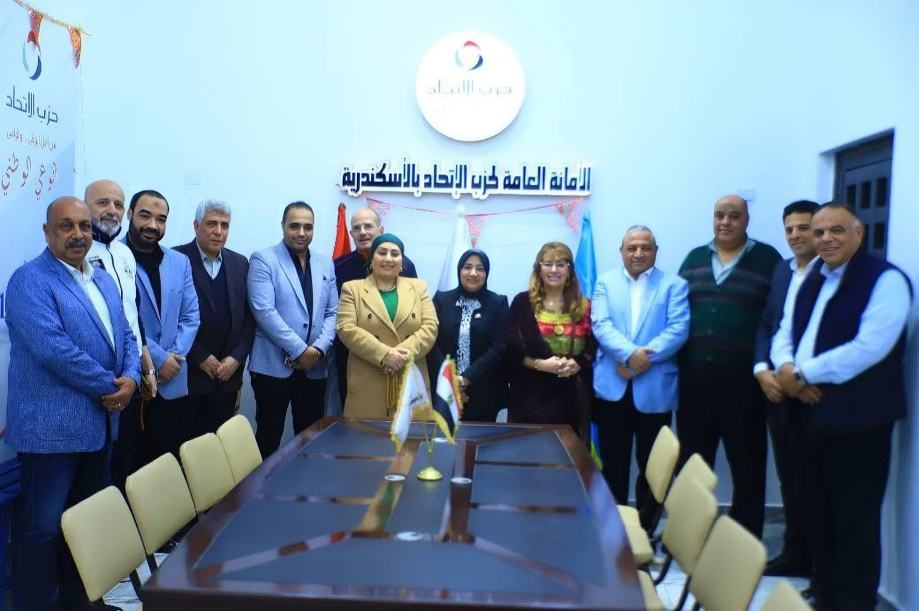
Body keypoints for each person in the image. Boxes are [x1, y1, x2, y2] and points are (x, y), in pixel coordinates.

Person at [771, 203, 910, 611]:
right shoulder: (813, 276)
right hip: (806, 416)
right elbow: (784, 331)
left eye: (836, 230)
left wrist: (802, 374)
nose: (826, 238)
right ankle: (826, 595)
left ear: (858, 233)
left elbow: (868, 349)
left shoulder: (886, 280)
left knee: (854, 522)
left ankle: (853, 603)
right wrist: (786, 370)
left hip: (858, 423)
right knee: (815, 515)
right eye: (819, 232)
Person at [7, 197, 139, 610]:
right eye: (66, 226)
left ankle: (79, 602)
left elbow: (127, 334)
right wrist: (112, 387)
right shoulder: (29, 280)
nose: (78, 234)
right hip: (51, 434)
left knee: (84, 526)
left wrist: (133, 378)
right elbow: (55, 350)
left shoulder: (101, 278)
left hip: (98, 427)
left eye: (84, 226)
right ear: (48, 232)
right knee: (42, 531)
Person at [677, 194, 782, 539]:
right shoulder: (694, 258)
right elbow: (676, 313)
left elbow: (776, 318)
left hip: (744, 382)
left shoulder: (768, 260)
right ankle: (690, 534)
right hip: (695, 379)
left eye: (734, 215)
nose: (725, 222)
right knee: (693, 462)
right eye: (719, 215)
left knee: (747, 463)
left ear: (746, 220)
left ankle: (742, 540)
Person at [591, 226, 689, 530]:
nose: (638, 253)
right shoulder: (605, 282)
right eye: (631, 247)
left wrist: (636, 361)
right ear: (621, 251)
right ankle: (613, 529)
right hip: (612, 391)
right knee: (613, 465)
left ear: (655, 251)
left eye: (645, 247)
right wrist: (629, 355)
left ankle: (645, 531)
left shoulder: (674, 285)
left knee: (653, 470)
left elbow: (677, 330)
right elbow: (601, 325)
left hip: (655, 390)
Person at [752, 200, 820, 577]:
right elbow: (768, 324)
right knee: (789, 478)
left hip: (813, 394)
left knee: (814, 482)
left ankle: (819, 562)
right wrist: (762, 370)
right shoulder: (781, 270)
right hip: (776, 390)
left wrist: (799, 377)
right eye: (789, 229)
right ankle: (796, 554)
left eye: (803, 227)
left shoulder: (831, 273)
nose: (795, 235)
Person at [248, 202, 338, 458]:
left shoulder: (325, 264)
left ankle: (306, 483)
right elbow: (263, 311)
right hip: (273, 367)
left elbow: (333, 313)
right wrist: (300, 350)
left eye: (308, 227)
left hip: (314, 368)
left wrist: (317, 349)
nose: (301, 232)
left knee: (310, 440)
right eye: (294, 226)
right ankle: (263, 485)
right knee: (268, 438)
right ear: (283, 226)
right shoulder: (264, 259)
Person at [84, 179, 157, 489]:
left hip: (131, 372)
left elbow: (132, 314)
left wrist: (146, 366)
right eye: (102, 203)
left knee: (123, 460)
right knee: (94, 471)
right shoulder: (77, 251)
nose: (111, 210)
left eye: (117, 204)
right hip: (98, 376)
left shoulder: (126, 254)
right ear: (85, 207)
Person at [125, 189, 200, 467]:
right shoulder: (112, 258)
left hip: (173, 381)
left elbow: (191, 315)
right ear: (130, 214)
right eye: (145, 216)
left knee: (166, 463)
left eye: (161, 219)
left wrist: (173, 359)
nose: (153, 225)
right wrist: (158, 359)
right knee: (129, 466)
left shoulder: (180, 262)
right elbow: (124, 318)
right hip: (133, 381)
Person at [174, 199, 255, 436]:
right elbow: (170, 319)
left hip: (227, 377)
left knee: (220, 447)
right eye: (211, 224)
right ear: (196, 226)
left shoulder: (240, 263)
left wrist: (237, 358)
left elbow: (249, 317)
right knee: (185, 445)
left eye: (224, 225)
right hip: (189, 375)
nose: (218, 231)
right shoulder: (177, 259)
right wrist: (199, 356)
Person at [336, 233, 437, 418]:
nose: (388, 258)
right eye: (382, 253)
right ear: (372, 259)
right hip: (367, 384)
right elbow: (346, 328)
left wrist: (400, 356)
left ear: (402, 262)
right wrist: (384, 355)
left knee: (411, 436)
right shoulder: (352, 289)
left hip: (410, 383)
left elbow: (430, 327)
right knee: (366, 436)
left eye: (395, 254)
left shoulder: (419, 287)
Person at [506, 242, 596, 443]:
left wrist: (577, 364)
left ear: (570, 270)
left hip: (572, 399)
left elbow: (592, 349)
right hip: (530, 397)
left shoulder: (586, 306)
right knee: (529, 453)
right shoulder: (522, 303)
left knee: (569, 456)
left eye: (561, 264)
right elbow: (511, 349)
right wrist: (541, 365)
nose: (554, 270)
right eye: (548, 264)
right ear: (539, 269)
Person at [333, 207, 418, 410]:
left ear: (380, 230)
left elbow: (414, 315)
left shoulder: (405, 266)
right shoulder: (339, 267)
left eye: (368, 226)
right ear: (351, 233)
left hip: (397, 354)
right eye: (357, 228)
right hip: (355, 356)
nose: (362, 232)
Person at [428, 249, 509, 422]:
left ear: (486, 273)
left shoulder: (498, 303)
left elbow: (499, 347)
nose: (473, 273)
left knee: (480, 438)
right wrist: (451, 381)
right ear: (459, 270)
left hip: (484, 391)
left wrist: (465, 379)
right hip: (445, 390)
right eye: (467, 267)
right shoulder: (441, 300)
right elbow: (433, 343)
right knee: (444, 437)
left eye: (480, 268)